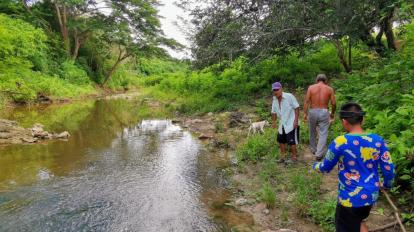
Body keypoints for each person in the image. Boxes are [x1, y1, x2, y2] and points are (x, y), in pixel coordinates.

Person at [313, 102, 395, 232]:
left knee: (345, 227)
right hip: (370, 195)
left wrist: (316, 166)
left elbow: (326, 167)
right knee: (358, 221)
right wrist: (387, 185)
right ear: (363, 119)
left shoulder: (340, 142)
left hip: (349, 199)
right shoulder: (378, 140)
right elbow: (389, 169)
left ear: (344, 122)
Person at [304, 74, 336, 161]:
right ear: (325, 81)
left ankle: (313, 149)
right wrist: (332, 113)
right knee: (323, 133)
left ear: (316, 80)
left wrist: (305, 114)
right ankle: (319, 154)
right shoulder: (329, 89)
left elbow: (307, 101)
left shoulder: (311, 88)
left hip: (313, 111)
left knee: (312, 131)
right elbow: (333, 103)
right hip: (324, 111)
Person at [271, 82, 300, 162]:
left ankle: (294, 157)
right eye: (274, 90)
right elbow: (273, 112)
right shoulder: (274, 100)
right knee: (280, 139)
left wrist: (296, 121)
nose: (275, 91)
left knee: (291, 141)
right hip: (282, 123)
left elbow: (297, 107)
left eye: (277, 89)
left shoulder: (289, 96)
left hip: (291, 122)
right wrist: (274, 122)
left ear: (281, 89)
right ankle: (283, 157)